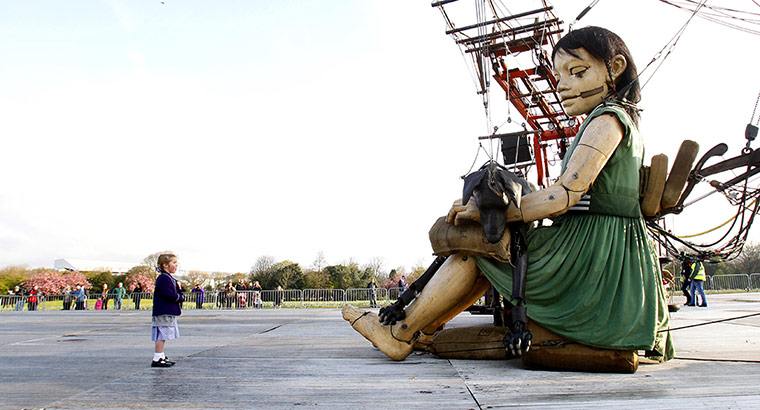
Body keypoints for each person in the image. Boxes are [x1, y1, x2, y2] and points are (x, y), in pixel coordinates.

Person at [342, 26, 673, 364]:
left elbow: (563, 195)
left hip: (591, 253)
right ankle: (421, 328)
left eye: (577, 72)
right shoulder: (618, 121)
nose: (563, 85)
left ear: (615, 67)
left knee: (482, 248)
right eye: (559, 76)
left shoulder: (606, 120)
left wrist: (489, 214)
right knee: (493, 251)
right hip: (604, 245)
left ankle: (400, 332)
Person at [151, 253, 184, 367]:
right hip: (163, 311)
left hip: (165, 311)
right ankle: (157, 357)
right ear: (165, 265)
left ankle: (160, 355)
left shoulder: (167, 277)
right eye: (174, 263)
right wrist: (178, 298)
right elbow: (168, 294)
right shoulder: (164, 278)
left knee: (163, 334)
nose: (176, 265)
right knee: (162, 334)